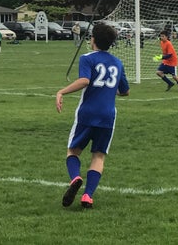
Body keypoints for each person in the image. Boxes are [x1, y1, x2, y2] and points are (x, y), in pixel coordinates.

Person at [55, 23, 130, 209]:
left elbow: (85, 80)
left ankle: (76, 178)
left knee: (73, 152)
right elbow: (125, 91)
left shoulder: (87, 58)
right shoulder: (118, 63)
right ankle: (88, 196)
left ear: (93, 40)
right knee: (98, 156)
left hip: (87, 113)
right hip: (108, 116)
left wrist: (61, 92)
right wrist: (108, 90)